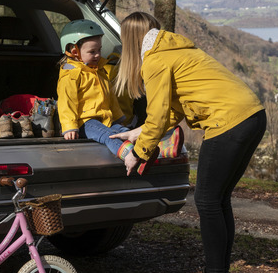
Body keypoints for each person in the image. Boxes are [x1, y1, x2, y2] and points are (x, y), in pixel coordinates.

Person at [110, 12, 266, 273]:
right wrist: (138, 134)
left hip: (228, 122)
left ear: (128, 41)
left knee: (208, 201)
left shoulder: (155, 61)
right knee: (218, 200)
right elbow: (171, 112)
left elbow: (157, 116)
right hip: (251, 115)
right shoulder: (174, 49)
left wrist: (139, 153)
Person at [57, 19, 183, 171]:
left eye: (99, 50)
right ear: (74, 51)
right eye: (92, 52)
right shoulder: (70, 74)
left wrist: (118, 117)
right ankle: (131, 155)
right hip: (84, 122)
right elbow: (66, 102)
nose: (97, 55)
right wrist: (70, 127)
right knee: (108, 135)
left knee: (124, 132)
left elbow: (109, 97)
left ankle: (160, 147)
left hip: (105, 118)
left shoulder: (99, 70)